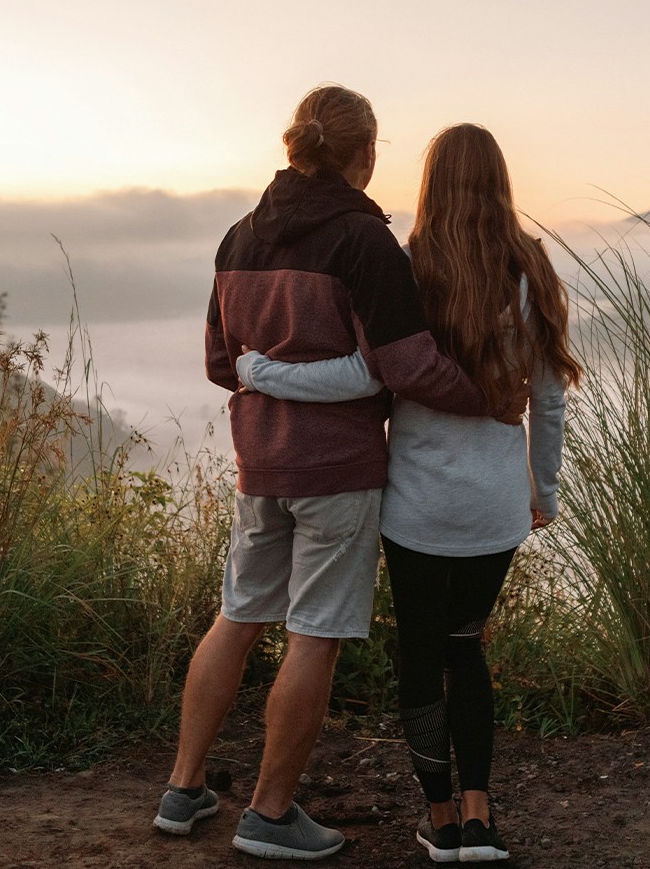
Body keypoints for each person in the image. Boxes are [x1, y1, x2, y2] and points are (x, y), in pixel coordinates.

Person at [157, 86, 510, 861]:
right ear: (365, 154)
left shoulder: (239, 238)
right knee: (314, 635)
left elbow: (224, 364)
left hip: (261, 464)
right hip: (338, 473)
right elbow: (407, 364)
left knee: (238, 615)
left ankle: (183, 789)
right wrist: (488, 397)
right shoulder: (364, 243)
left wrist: (273, 375)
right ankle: (270, 813)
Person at [236, 123, 580, 863]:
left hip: (415, 501)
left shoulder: (408, 267)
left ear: (430, 183)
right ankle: (483, 817)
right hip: (493, 502)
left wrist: (267, 377)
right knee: (466, 649)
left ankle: (441, 818)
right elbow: (548, 401)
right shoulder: (534, 269)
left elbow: (382, 379)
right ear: (500, 181)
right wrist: (541, 487)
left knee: (421, 654)